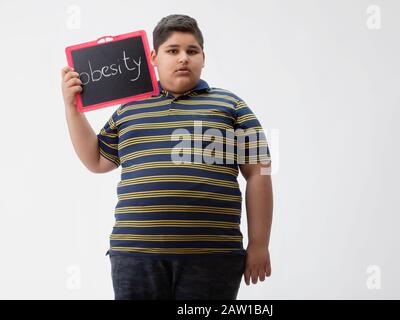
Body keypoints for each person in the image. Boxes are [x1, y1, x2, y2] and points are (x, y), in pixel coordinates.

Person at [61, 14, 273, 300]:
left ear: (204, 57)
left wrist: (260, 243)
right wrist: (73, 108)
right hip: (135, 254)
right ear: (154, 57)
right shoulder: (129, 109)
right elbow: (96, 160)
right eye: (173, 50)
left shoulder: (230, 105)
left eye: (192, 51)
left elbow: (259, 172)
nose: (183, 57)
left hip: (214, 256)